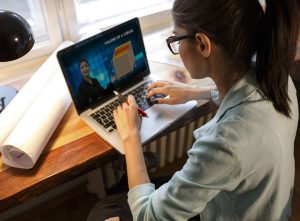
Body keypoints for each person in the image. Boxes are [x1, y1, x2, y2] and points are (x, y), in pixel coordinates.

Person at [88, 0, 300, 220]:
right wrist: (194, 92)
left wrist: (131, 136)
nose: (177, 48)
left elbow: (147, 215)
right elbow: (245, 95)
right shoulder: (277, 78)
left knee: (103, 212)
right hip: (260, 205)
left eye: (176, 39)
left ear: (202, 44)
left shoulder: (226, 143)